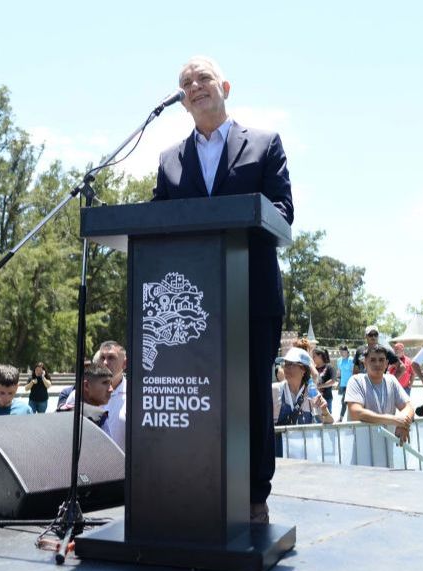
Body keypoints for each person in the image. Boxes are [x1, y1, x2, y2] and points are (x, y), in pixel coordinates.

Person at [152, 55, 294, 523]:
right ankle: (196, 489)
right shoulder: (169, 159)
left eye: (203, 78)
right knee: (198, 397)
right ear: (181, 100)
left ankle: (255, 496)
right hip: (193, 307)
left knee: (251, 397)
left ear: (225, 87)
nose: (194, 86)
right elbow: (157, 224)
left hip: (251, 298)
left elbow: (282, 211)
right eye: (185, 83)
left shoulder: (265, 143)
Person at [345, 345, 415, 444]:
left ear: (386, 364)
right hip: (361, 445)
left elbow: (408, 407)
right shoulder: (356, 381)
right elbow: (356, 412)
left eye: (381, 360)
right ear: (365, 362)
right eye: (372, 360)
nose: (377, 364)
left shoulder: (391, 380)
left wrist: (403, 424)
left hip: (387, 444)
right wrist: (394, 420)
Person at [272, 348, 333, 431]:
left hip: (303, 443)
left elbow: (330, 421)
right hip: (279, 444)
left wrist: (324, 410)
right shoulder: (274, 390)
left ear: (303, 369)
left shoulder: (312, 393)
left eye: (291, 364)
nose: (286, 368)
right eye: (285, 364)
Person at [59, 363, 113, 432]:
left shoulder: (61, 412)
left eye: (111, 383)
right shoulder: (98, 418)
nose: (111, 389)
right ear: (87, 385)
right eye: (105, 383)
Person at [96, 341, 127, 451]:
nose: (105, 362)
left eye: (111, 358)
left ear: (125, 364)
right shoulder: (81, 394)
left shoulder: (135, 398)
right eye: (102, 357)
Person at [312, 347, 336, 416]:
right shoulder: (314, 369)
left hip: (326, 399)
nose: (313, 358)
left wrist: (319, 386)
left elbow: (332, 381)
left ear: (320, 356)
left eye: (314, 356)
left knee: (327, 421)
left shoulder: (329, 367)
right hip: (315, 400)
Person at [336, 345, 353, 419]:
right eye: (340, 351)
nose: (341, 353)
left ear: (347, 351)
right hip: (342, 384)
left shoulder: (351, 360)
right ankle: (345, 417)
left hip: (350, 384)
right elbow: (339, 371)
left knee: (344, 401)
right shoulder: (339, 360)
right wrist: (338, 380)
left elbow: (353, 372)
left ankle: (341, 418)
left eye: (343, 351)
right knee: (344, 401)